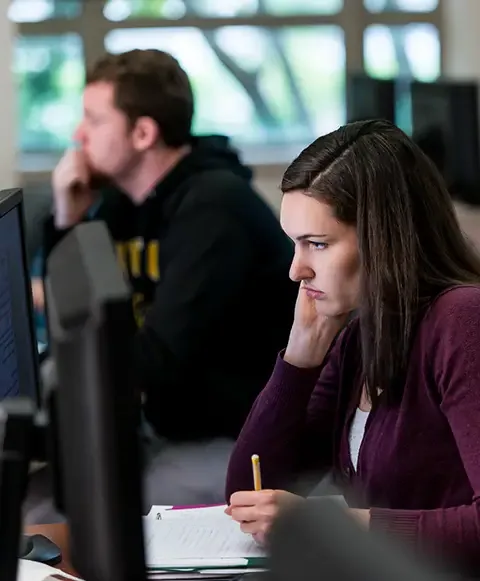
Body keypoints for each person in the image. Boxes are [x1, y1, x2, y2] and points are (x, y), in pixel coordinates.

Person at [39, 48, 296, 504]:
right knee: (47, 490)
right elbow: (79, 318)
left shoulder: (214, 209)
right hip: (165, 422)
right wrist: (67, 217)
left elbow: (157, 362)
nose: (78, 136)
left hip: (238, 439)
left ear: (142, 133)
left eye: (94, 120)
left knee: (94, 509)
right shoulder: (125, 202)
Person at [225, 119, 480, 572]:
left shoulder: (462, 320)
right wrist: (300, 358)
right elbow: (250, 493)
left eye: (317, 244)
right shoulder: (361, 335)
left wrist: (341, 524)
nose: (296, 270)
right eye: (295, 246)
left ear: (384, 238)